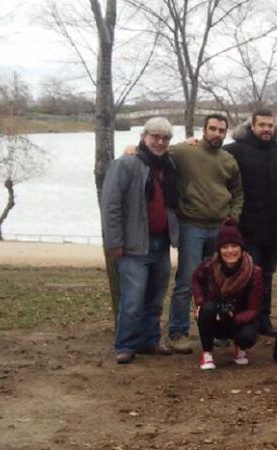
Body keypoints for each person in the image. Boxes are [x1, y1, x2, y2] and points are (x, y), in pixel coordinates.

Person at [102, 117, 179, 364]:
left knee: (155, 299)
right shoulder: (126, 164)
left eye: (165, 138)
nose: (159, 142)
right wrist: (115, 241)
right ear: (144, 136)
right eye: (155, 136)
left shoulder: (169, 166)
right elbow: (111, 205)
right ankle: (125, 344)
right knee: (132, 300)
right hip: (135, 245)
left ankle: (151, 340)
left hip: (161, 242)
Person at [166, 114, 244, 353]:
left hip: (220, 227)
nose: (217, 134)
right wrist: (132, 149)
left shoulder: (228, 160)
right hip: (192, 225)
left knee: (219, 282)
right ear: (204, 130)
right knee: (187, 280)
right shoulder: (184, 151)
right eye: (213, 129)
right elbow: (155, 150)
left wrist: (233, 218)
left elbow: (238, 192)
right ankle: (178, 331)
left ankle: (219, 330)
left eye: (222, 130)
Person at [223, 108, 277, 337]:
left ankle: (263, 319)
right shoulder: (236, 150)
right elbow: (212, 159)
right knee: (248, 275)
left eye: (270, 125)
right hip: (248, 225)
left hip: (275, 225)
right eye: (262, 125)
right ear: (252, 127)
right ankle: (246, 319)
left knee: (266, 275)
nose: (266, 129)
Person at [192, 219, 263, 370]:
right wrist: (199, 302)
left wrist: (233, 317)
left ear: (242, 248)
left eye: (234, 246)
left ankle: (240, 347)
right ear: (218, 250)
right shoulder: (208, 266)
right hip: (215, 314)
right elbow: (195, 280)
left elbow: (255, 309)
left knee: (248, 336)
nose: (230, 251)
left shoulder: (254, 272)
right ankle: (207, 353)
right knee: (207, 309)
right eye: (224, 247)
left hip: (239, 316)